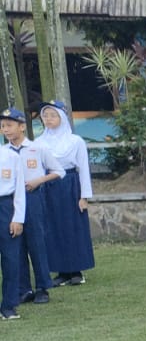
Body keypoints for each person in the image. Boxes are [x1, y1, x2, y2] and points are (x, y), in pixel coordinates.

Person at [0, 108, 62, 305]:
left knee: (36, 242)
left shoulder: (37, 148)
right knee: (15, 244)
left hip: (32, 198)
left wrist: (39, 180)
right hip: (11, 201)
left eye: (9, 125)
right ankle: (23, 288)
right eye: (3, 126)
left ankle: (43, 286)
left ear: (22, 127)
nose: (6, 130)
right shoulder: (4, 152)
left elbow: (58, 171)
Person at [35, 101, 94, 286]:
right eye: (45, 116)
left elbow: (83, 169)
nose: (49, 119)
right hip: (48, 187)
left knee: (72, 226)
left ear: (62, 117)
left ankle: (76, 270)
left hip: (70, 185)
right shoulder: (39, 142)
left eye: (53, 115)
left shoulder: (75, 141)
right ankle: (61, 271)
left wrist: (84, 196)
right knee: (52, 228)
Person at [0, 119, 26, 321]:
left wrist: (18, 218)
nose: (4, 129)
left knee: (10, 259)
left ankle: (8, 305)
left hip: (5, 207)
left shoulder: (10, 156)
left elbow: (19, 191)